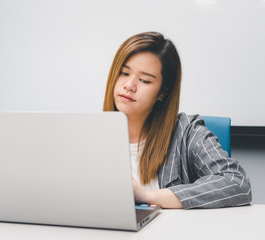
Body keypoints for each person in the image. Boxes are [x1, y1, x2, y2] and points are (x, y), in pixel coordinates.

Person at [103, 32, 252, 209]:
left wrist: (147, 196)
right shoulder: (89, 134)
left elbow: (237, 183)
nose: (129, 85)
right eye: (124, 73)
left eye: (144, 80)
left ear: (162, 92)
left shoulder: (188, 131)